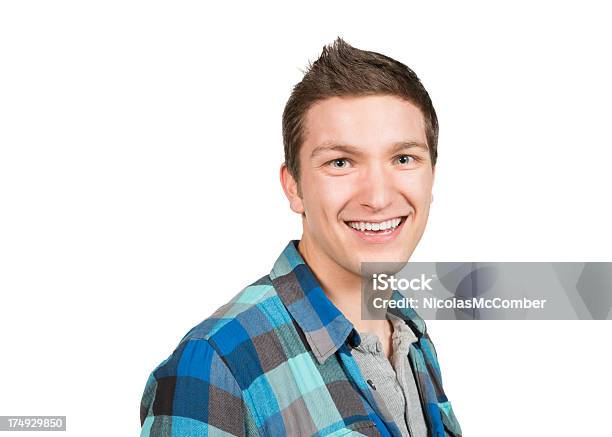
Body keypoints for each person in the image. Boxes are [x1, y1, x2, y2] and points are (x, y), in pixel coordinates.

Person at [140, 37, 462, 437]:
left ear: (432, 175)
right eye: (340, 162)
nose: (378, 197)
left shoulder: (409, 332)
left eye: (403, 159)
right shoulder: (216, 365)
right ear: (293, 187)